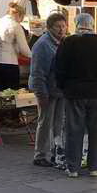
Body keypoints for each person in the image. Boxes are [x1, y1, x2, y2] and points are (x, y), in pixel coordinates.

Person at [54, 12, 97, 178]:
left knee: (74, 130)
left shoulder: (68, 42)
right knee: (96, 130)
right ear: (92, 25)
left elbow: (59, 68)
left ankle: (73, 167)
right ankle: (95, 167)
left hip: (74, 93)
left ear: (76, 24)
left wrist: (62, 87)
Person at [29, 12, 68, 168]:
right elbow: (38, 72)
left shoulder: (61, 42)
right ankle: (40, 155)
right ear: (50, 28)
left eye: (64, 26)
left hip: (59, 90)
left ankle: (55, 153)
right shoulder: (43, 44)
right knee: (45, 123)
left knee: (58, 123)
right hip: (47, 91)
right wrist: (41, 94)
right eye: (58, 27)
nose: (61, 30)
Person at [0, 0, 31, 91]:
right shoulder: (16, 26)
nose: (21, 20)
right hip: (9, 64)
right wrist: (34, 56)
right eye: (22, 17)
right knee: (10, 96)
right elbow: (24, 50)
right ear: (18, 14)